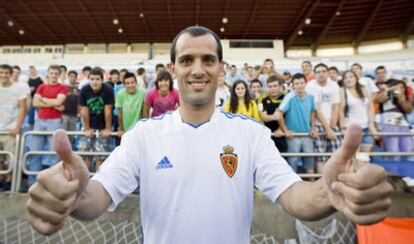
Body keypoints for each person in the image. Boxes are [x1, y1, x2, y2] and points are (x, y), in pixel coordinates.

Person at [27, 26, 392, 243]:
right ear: (172, 69)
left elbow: (296, 197)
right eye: (186, 60)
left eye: (207, 60)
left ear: (221, 69)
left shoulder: (250, 134)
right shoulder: (143, 135)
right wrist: (73, 196)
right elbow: (97, 198)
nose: (197, 69)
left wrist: (331, 192)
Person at [30, 65, 67, 186]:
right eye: (52, 73)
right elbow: (35, 102)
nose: (54, 75)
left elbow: (59, 102)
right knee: (35, 151)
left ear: (59, 74)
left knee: (53, 153)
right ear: (48, 74)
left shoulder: (62, 87)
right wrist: (53, 103)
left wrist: (44, 100)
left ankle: (52, 184)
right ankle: (32, 183)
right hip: (40, 121)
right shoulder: (41, 86)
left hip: (54, 121)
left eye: (56, 73)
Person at [277, 73, 317, 173]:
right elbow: (279, 114)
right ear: (293, 85)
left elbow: (312, 112)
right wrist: (285, 130)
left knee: (309, 161)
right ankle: (294, 186)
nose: (299, 85)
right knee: (293, 162)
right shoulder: (289, 97)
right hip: (293, 135)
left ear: (305, 83)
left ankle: (311, 182)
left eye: (301, 83)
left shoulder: (311, 97)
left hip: (307, 134)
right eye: (296, 83)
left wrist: (313, 128)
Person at [306, 63, 342, 173]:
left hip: (332, 124)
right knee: (321, 157)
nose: (321, 74)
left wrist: (333, 126)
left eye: (323, 71)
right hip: (318, 125)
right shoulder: (311, 86)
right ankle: (323, 185)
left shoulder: (334, 85)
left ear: (327, 73)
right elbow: (316, 109)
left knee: (337, 156)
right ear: (315, 74)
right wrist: (327, 129)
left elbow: (336, 106)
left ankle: (336, 183)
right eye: (318, 72)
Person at [78, 67, 114, 170]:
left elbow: (108, 109)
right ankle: (84, 183)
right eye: (92, 79)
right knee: (85, 155)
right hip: (88, 123)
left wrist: (107, 128)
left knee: (101, 156)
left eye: (97, 79)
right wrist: (87, 128)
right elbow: (84, 110)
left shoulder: (108, 89)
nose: (95, 82)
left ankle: (98, 181)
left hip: (103, 124)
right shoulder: (85, 89)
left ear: (102, 80)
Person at [0, 64, 28, 191]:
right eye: (1, 72)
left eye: (6, 73)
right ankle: (2, 179)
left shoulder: (19, 88)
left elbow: (23, 108)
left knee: (12, 158)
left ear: (11, 74)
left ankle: (10, 181)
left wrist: (17, 127)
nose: (4, 75)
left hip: (10, 130)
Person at [339, 70, 377, 153]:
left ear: (356, 78)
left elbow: (370, 108)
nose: (348, 79)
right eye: (345, 78)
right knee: (353, 158)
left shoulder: (364, 88)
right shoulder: (342, 90)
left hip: (366, 127)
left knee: (365, 158)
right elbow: (341, 110)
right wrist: (342, 128)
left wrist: (372, 125)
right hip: (351, 128)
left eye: (351, 77)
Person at [259, 76, 287, 152]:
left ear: (280, 86)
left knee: (284, 159)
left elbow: (290, 117)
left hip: (283, 134)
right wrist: (276, 116)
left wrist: (281, 129)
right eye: (270, 86)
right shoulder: (263, 98)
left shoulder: (286, 97)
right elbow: (264, 117)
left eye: (275, 86)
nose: (273, 89)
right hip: (268, 135)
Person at [116, 72, 146, 137]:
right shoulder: (120, 94)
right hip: (126, 129)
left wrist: (144, 128)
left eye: (132, 82)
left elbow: (144, 112)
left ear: (136, 83)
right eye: (127, 83)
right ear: (124, 85)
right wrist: (121, 129)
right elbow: (120, 113)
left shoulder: (143, 92)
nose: (130, 85)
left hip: (139, 129)